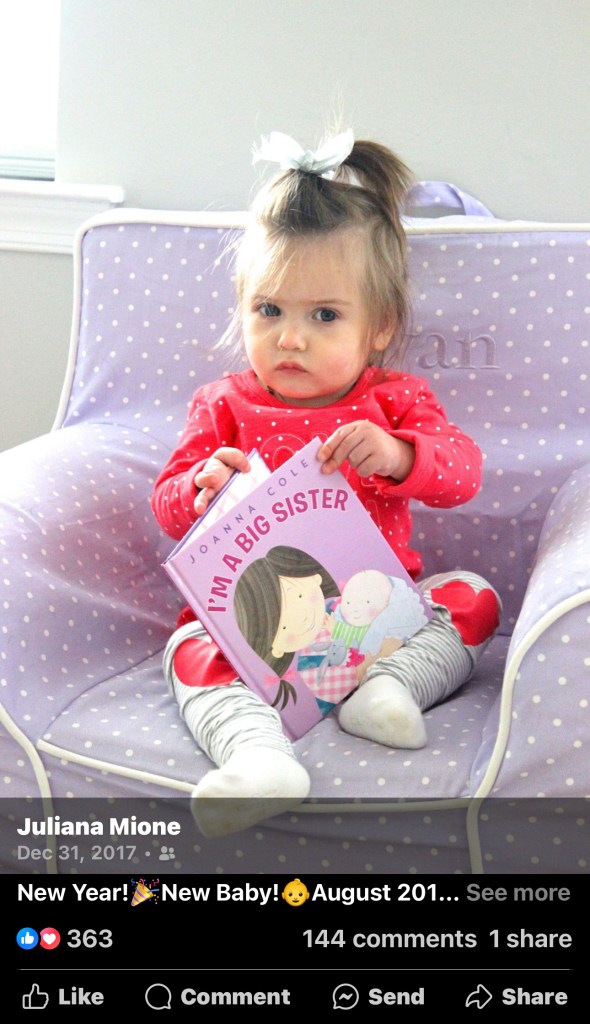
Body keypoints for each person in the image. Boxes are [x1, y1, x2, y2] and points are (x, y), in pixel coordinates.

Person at [151, 129, 502, 837]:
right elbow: (167, 505)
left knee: (474, 597)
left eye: (325, 315)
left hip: (374, 622)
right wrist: (200, 488)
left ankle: (388, 692)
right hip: (255, 634)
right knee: (187, 648)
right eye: (269, 310)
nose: (291, 338)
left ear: (380, 326)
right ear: (242, 306)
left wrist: (399, 455)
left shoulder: (393, 399)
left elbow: (463, 472)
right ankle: (258, 756)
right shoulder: (224, 404)